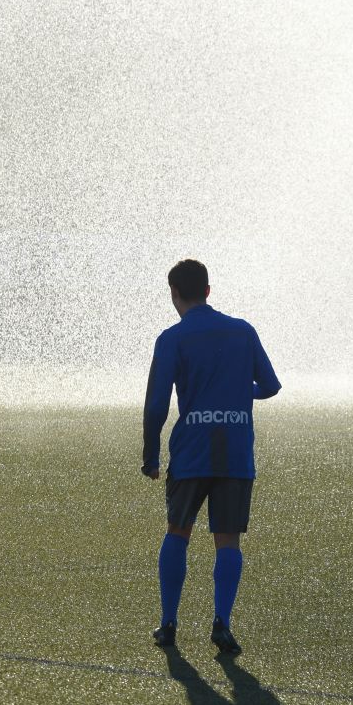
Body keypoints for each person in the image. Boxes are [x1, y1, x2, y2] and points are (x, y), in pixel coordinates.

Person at [142, 259, 280, 654]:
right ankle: (222, 623)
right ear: (208, 289)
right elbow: (270, 385)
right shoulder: (243, 331)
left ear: (174, 294)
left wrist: (150, 455)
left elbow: (156, 404)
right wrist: (238, 394)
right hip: (235, 449)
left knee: (177, 531)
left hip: (192, 449)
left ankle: (168, 625)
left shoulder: (173, 338)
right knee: (228, 540)